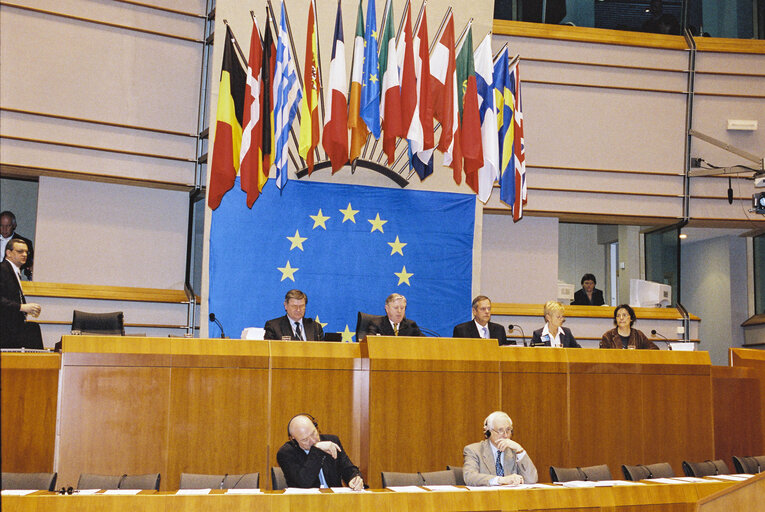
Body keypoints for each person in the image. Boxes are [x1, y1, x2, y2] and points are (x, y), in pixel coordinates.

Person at [276, 414, 364, 490]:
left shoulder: (332, 441)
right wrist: (317, 450)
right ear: (293, 439)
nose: (313, 441)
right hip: (305, 504)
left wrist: (354, 477)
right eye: (305, 440)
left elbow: (348, 468)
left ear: (316, 427)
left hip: (334, 501)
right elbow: (304, 483)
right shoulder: (286, 453)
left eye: (314, 433)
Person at [463, 411, 538, 486]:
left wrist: (520, 450)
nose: (505, 435)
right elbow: (469, 477)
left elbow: (532, 479)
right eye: (500, 430)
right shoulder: (473, 450)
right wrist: (500, 480)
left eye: (508, 430)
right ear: (488, 432)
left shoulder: (514, 451)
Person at [0, 238, 42, 348]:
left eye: (26, 252)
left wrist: (28, 309)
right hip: (5, 329)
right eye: (20, 251)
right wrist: (22, 307)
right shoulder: (2, 269)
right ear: (8, 253)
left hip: (12, 326)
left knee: (33, 329)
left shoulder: (13, 270)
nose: (24, 254)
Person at [0, 211, 34, 280]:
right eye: (1, 225)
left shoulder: (25, 243)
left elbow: (29, 265)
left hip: (12, 282)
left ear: (14, 225)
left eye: (8, 226)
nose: (4, 229)